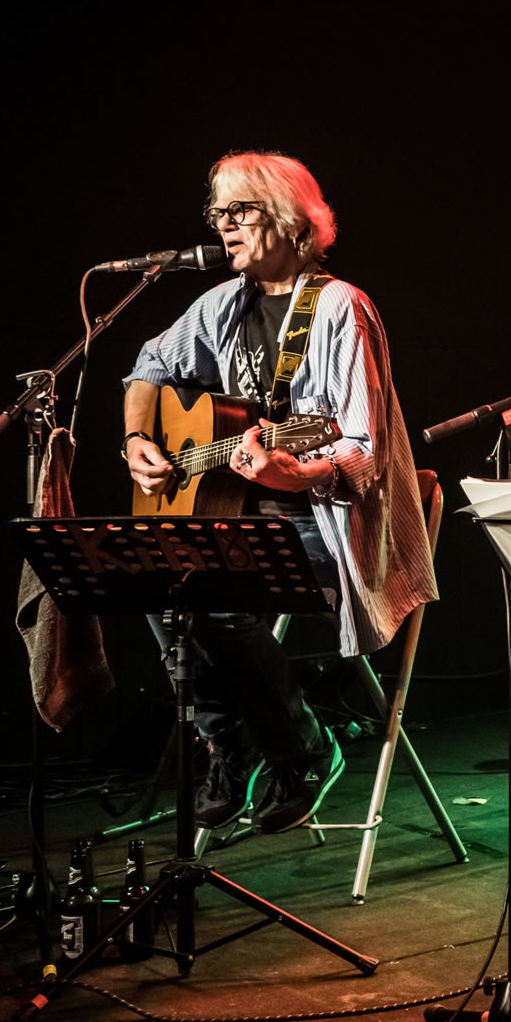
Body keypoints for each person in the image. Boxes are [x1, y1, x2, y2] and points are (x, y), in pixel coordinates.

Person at [122, 151, 438, 835]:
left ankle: (299, 747)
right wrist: (136, 442)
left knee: (207, 585)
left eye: (240, 210)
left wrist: (294, 473)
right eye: (218, 213)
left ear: (295, 223)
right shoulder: (219, 308)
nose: (223, 225)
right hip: (243, 525)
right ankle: (229, 744)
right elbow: (147, 364)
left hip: (329, 526)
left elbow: (361, 445)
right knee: (150, 571)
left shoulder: (339, 308)